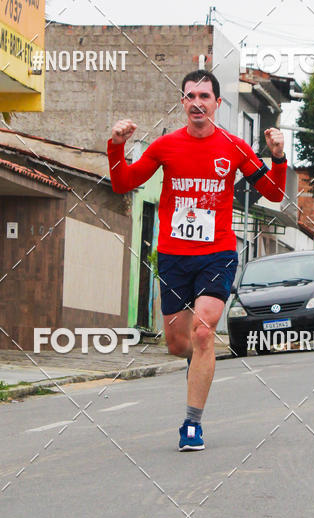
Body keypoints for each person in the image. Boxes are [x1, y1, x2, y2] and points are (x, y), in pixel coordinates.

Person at [107, 70, 287, 450]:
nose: (197, 103)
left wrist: (278, 158)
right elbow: (123, 183)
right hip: (173, 255)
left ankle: (192, 424)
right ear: (183, 103)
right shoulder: (165, 146)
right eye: (190, 96)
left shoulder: (235, 147)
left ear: (217, 104)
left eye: (205, 96)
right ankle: (197, 363)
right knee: (177, 343)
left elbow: (271, 194)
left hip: (217, 253)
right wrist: (116, 145)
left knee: (203, 332)